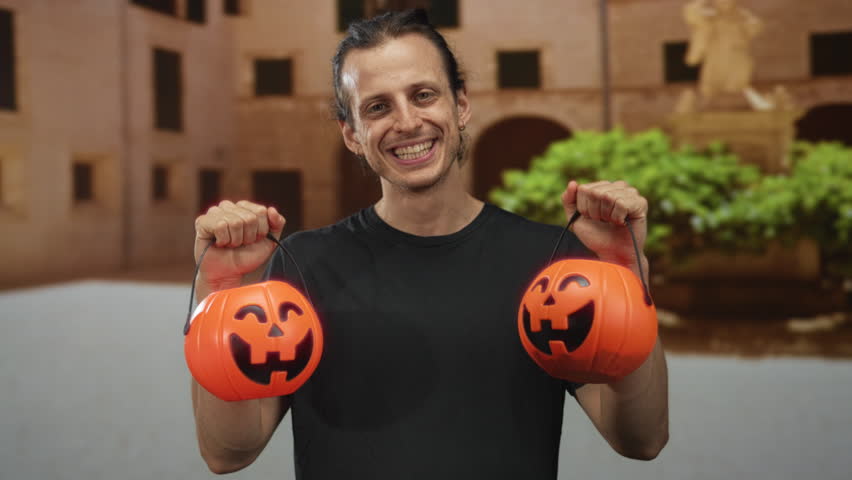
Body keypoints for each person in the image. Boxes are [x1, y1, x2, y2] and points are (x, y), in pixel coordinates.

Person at [190, 9, 668, 479]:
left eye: (423, 95)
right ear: (352, 134)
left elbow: (641, 440)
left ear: (460, 106)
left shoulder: (551, 264)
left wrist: (629, 280)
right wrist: (217, 295)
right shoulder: (305, 265)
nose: (406, 122)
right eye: (378, 107)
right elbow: (228, 454)